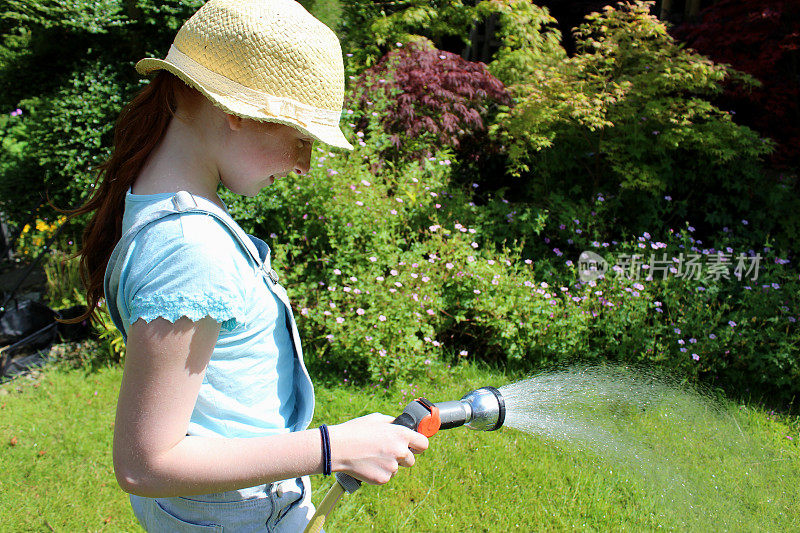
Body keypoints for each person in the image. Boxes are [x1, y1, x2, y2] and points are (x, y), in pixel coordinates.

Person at [68, 0, 428, 530]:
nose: (305, 164)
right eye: (301, 137)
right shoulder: (190, 248)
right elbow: (146, 464)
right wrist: (333, 447)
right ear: (236, 109)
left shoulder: (167, 209)